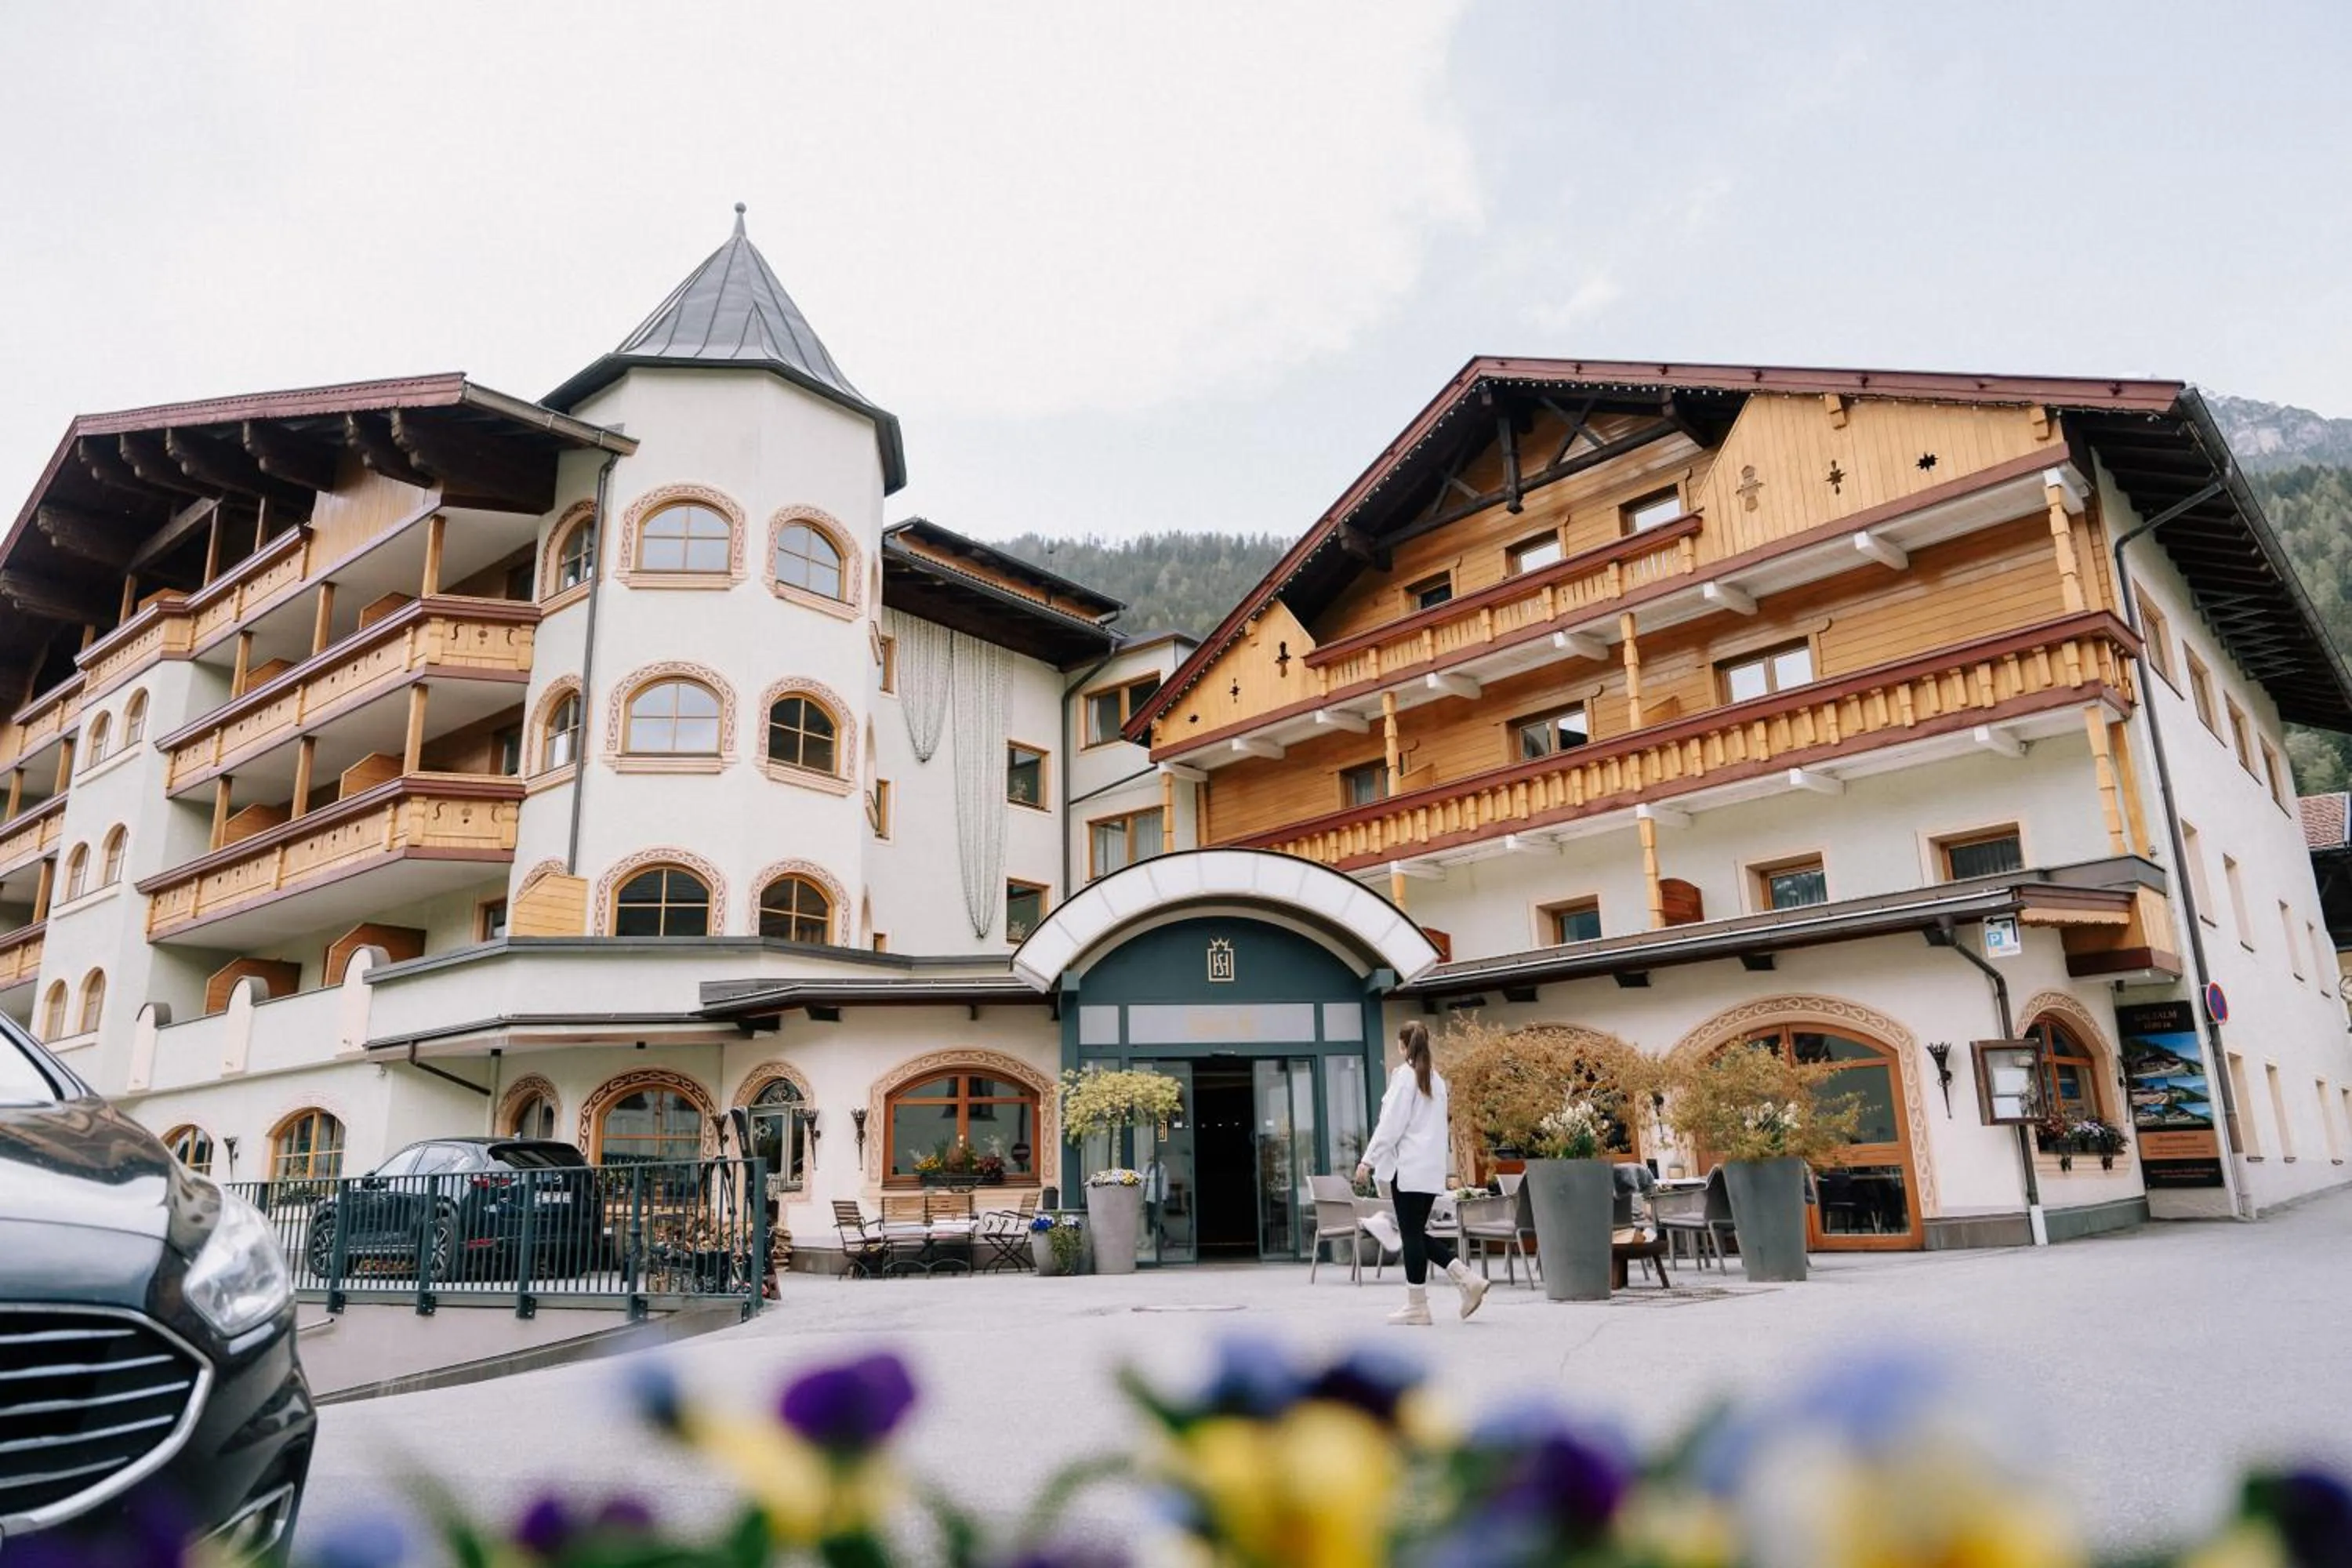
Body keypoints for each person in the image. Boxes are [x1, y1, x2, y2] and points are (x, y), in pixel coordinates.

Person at [1355, 1021, 1488, 1324]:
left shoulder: (1405, 1077)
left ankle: (1419, 1304)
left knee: (1411, 1234)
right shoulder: (1437, 1080)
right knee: (1413, 1232)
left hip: (1408, 1168)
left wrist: (1368, 1160)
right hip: (1429, 1170)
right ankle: (1466, 1281)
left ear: (1403, 1046)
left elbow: (1391, 1125)